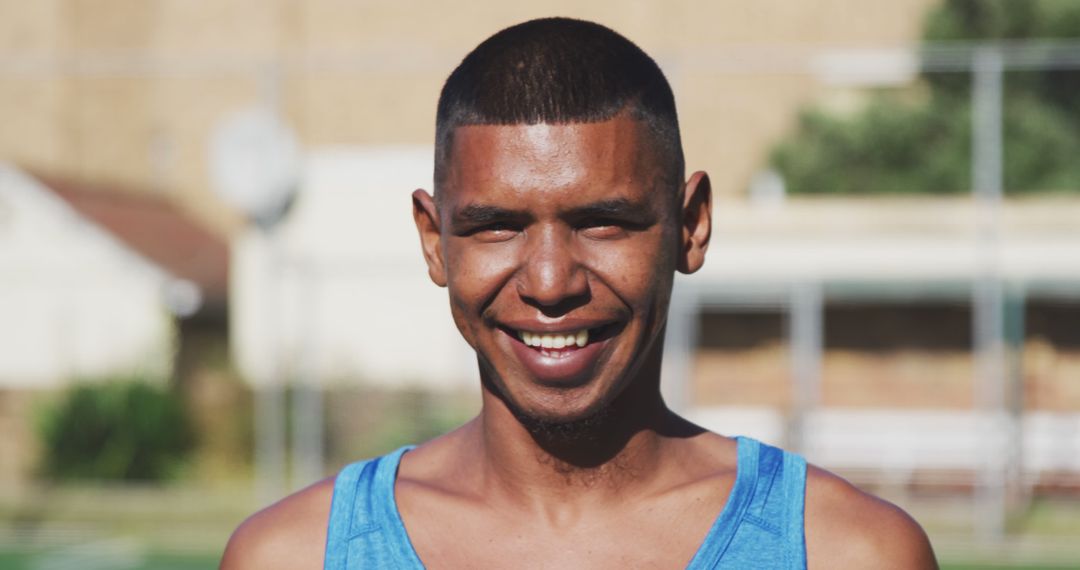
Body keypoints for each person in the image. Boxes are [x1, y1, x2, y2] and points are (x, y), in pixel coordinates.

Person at [221, 17, 937, 569]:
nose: (550, 282)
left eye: (603, 222)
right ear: (434, 241)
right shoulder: (294, 556)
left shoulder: (847, 553)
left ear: (690, 227)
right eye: (497, 227)